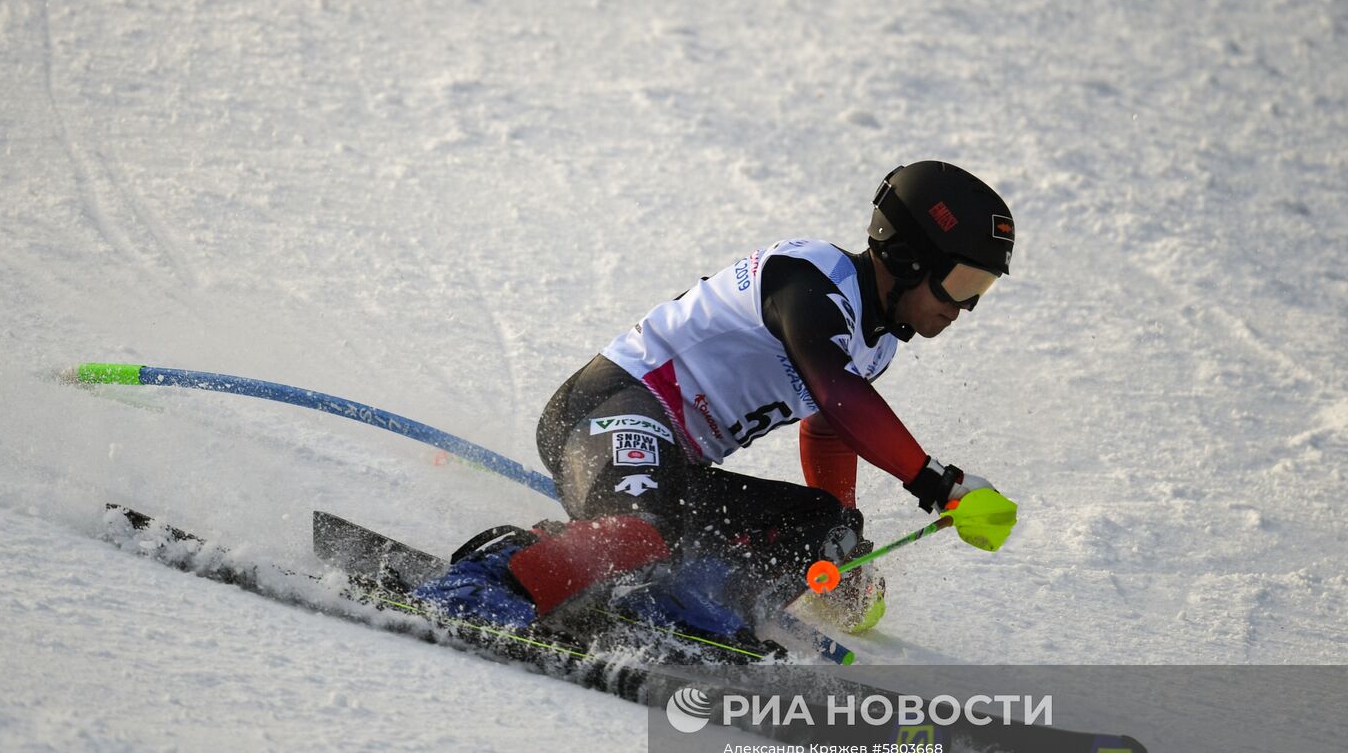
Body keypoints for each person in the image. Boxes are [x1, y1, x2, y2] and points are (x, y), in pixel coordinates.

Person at [415, 160, 1016, 645]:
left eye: (979, 292)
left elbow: (830, 426)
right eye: (961, 283)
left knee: (826, 527)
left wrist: (843, 549)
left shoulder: (875, 345)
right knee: (639, 531)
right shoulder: (809, 277)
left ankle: (691, 612)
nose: (963, 307)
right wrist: (941, 484)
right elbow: (837, 390)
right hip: (603, 412)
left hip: (673, 466)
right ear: (910, 257)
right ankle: (491, 580)